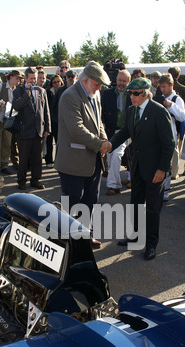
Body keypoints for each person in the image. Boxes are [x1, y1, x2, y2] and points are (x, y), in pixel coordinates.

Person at [111, 77, 175, 260]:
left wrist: (162, 169)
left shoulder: (159, 111)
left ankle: (151, 244)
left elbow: (168, 144)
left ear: (146, 93)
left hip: (156, 169)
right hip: (138, 166)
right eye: (130, 93)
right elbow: (124, 132)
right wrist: (109, 144)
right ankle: (135, 235)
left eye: (136, 93)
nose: (132, 96)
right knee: (135, 203)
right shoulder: (131, 111)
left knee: (153, 208)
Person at [55, 60, 111, 249]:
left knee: (90, 201)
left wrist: (103, 142)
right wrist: (99, 145)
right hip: (73, 162)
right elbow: (76, 129)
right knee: (72, 204)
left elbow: (98, 123)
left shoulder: (94, 94)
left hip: (92, 160)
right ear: (86, 80)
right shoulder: (70, 96)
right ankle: (70, 242)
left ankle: (85, 236)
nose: (99, 88)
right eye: (97, 84)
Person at [12, 67, 51, 190]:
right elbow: (16, 105)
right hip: (24, 131)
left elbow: (46, 111)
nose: (33, 81)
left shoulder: (41, 91)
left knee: (37, 159)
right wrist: (27, 95)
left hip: (38, 130)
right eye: (31, 78)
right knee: (23, 159)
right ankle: (21, 181)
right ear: (25, 78)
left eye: (35, 78)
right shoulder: (18, 91)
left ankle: (35, 180)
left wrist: (47, 128)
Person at [101, 69, 132, 195]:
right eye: (120, 80)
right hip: (109, 130)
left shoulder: (132, 95)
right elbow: (101, 111)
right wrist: (101, 123)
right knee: (110, 156)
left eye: (124, 81)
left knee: (116, 155)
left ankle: (113, 186)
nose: (121, 83)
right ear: (116, 80)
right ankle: (115, 183)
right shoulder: (107, 93)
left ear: (128, 82)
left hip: (125, 132)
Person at [156, 73, 185, 194]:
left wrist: (171, 105)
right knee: (158, 161)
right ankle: (159, 188)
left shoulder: (177, 99)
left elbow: (182, 116)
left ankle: (166, 191)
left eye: (164, 86)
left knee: (166, 162)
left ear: (171, 85)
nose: (163, 89)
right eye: (161, 87)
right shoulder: (159, 97)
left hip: (171, 133)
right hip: (158, 133)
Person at [0, 70, 23, 174]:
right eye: (17, 78)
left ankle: (4, 165)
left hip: (9, 119)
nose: (18, 80)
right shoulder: (0, 87)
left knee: (7, 142)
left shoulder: (17, 90)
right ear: (10, 77)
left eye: (19, 79)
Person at [45, 74, 64, 166]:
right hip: (50, 120)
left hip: (59, 120)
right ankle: (49, 160)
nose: (57, 84)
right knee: (49, 141)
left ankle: (58, 160)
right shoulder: (48, 92)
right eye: (54, 82)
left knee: (58, 141)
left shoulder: (63, 91)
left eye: (58, 81)